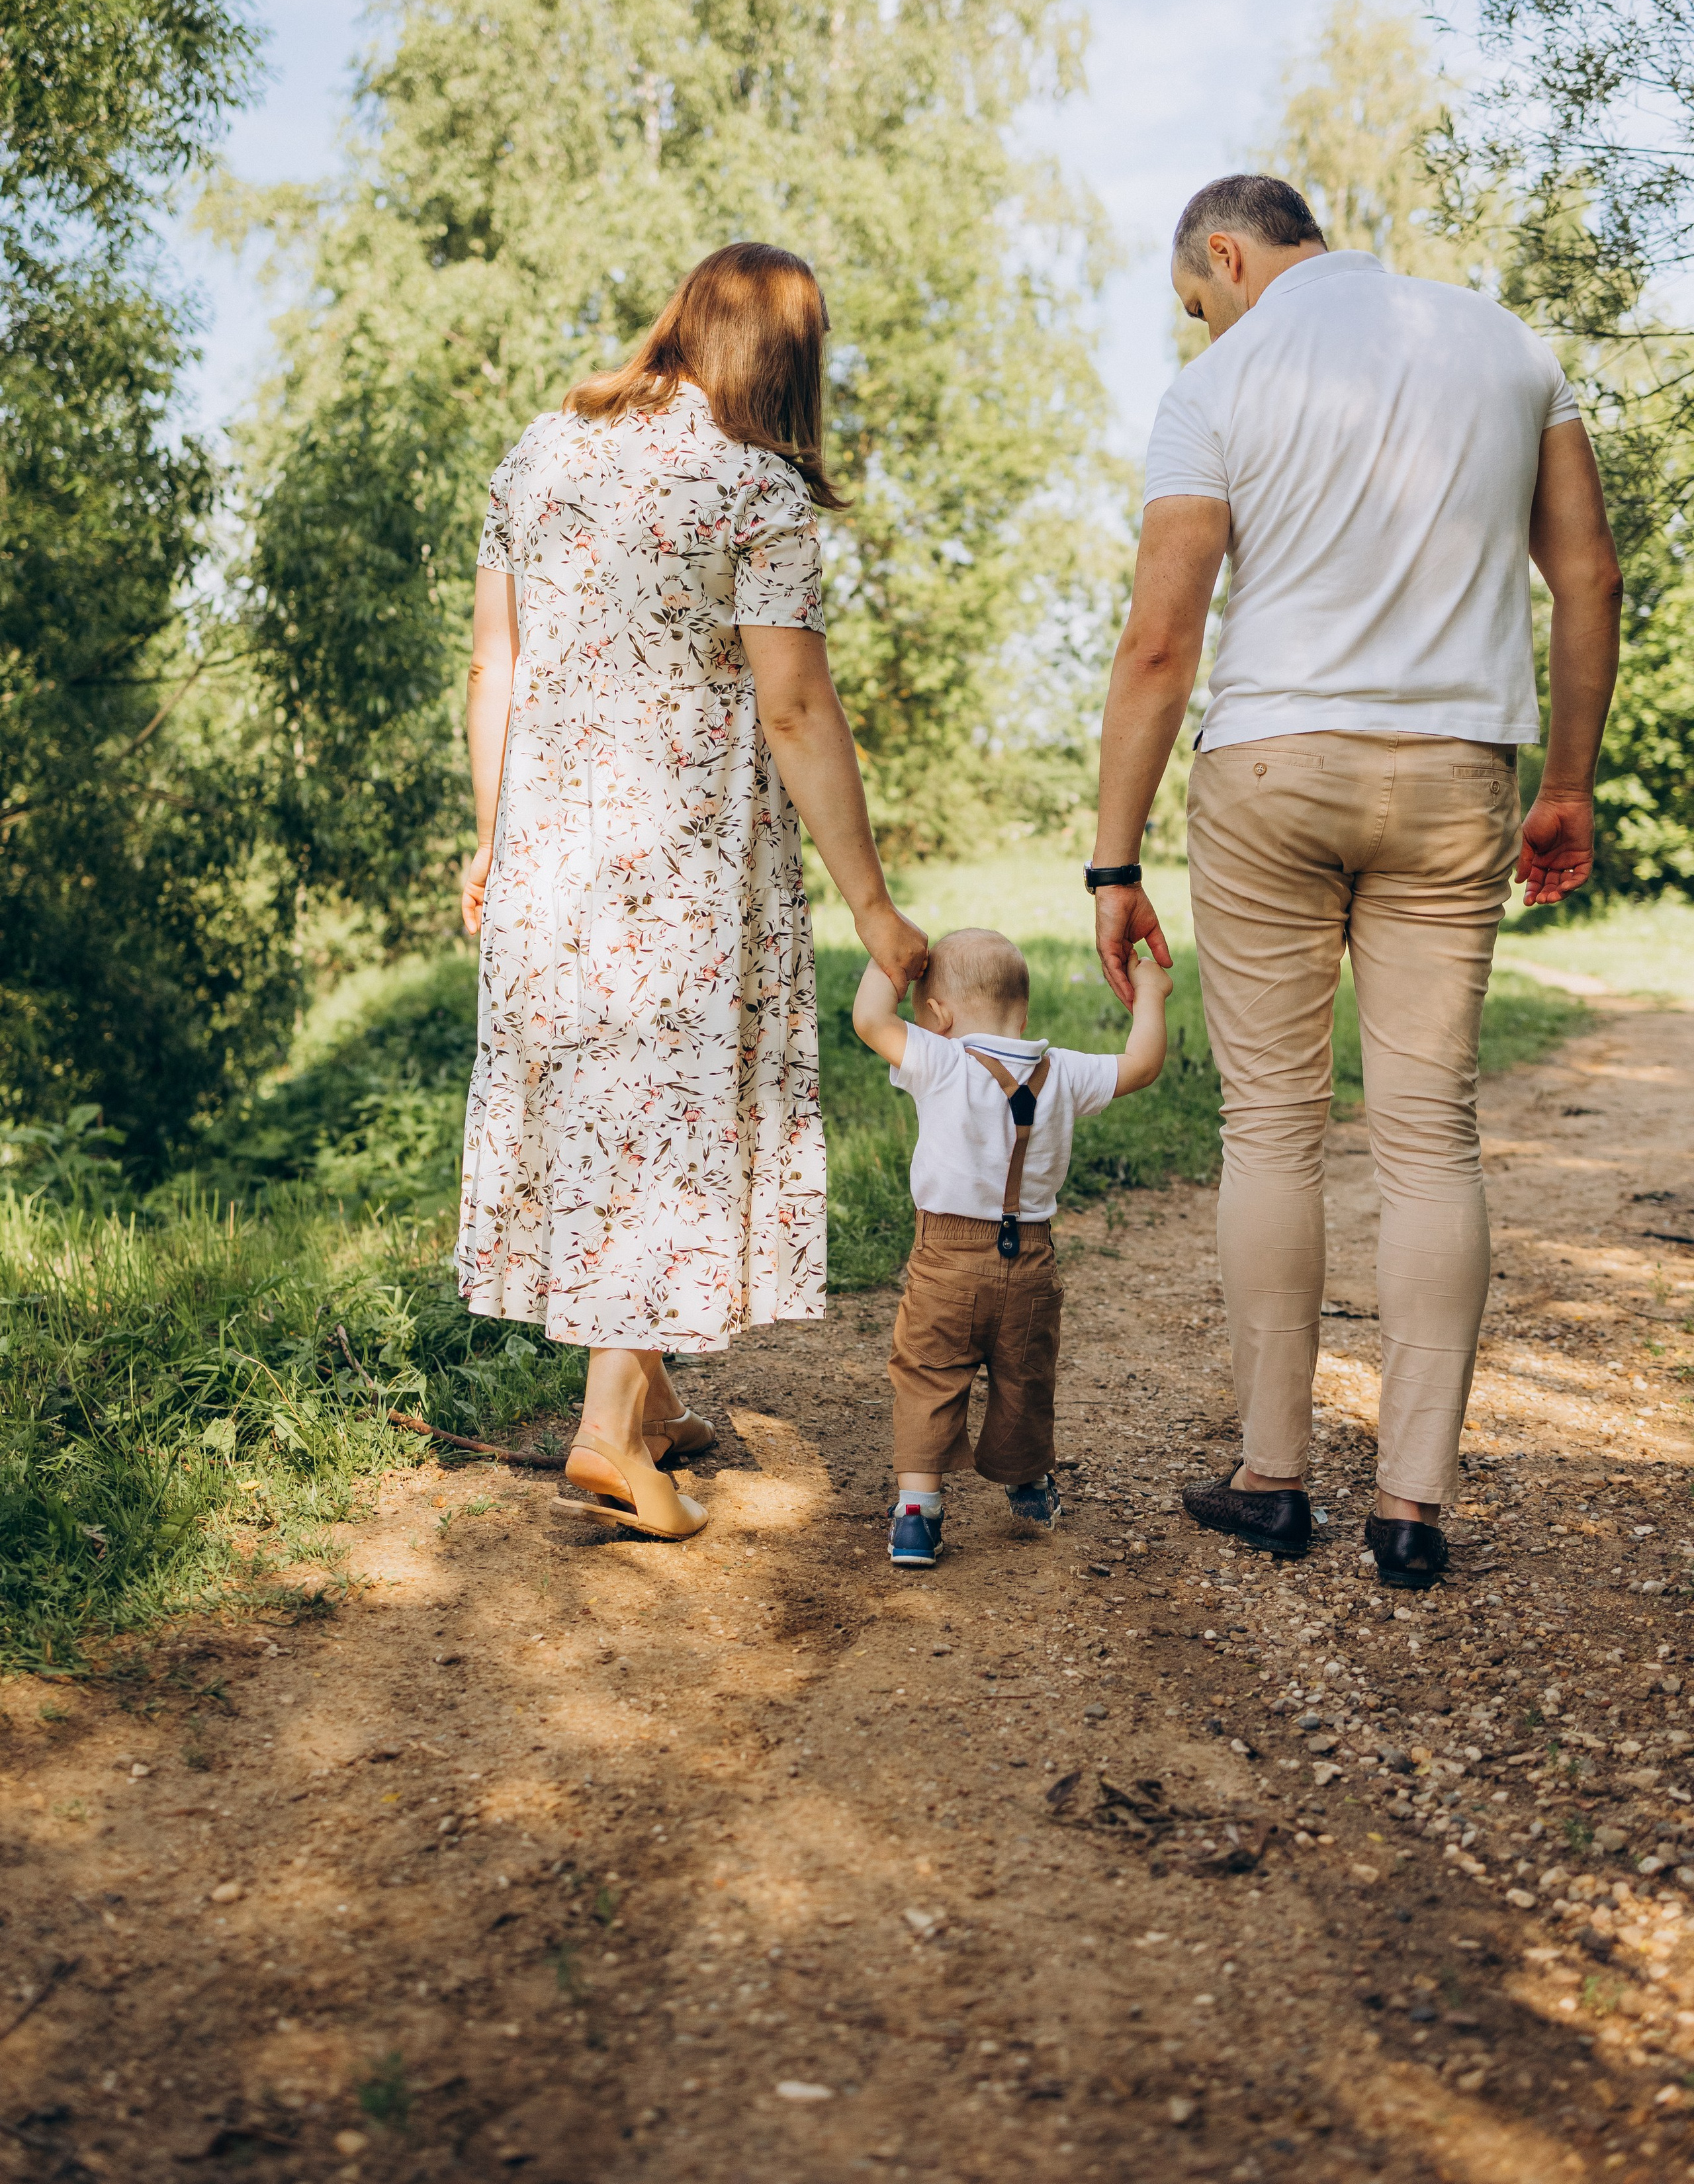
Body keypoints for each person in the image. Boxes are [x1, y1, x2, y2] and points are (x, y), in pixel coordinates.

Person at [1091, 173, 1622, 1589]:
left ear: (1222, 252)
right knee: (1426, 1133)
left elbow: (1158, 642)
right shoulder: (1506, 347)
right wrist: (1562, 783)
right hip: (1453, 773)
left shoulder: (1223, 387)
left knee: (1270, 1127)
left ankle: (1271, 1480)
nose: (1201, 327)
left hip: (1268, 768)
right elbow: (1586, 575)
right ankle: (1409, 1506)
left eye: (1195, 304)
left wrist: (1111, 856)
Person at [458, 241, 927, 1542]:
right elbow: (791, 703)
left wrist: (496, 840)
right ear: (790, 363)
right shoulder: (750, 485)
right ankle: (608, 1435)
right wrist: (871, 900)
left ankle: (650, 1402)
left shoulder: (542, 449)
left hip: (554, 843)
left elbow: (495, 668)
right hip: (684, 853)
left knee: (597, 1108)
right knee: (661, 1118)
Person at [852, 926, 1170, 1567]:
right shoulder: (1065, 1071)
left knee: (929, 1375)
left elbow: (867, 1018)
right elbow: (1142, 1064)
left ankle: (917, 1514)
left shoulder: (940, 1061)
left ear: (938, 1015)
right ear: (1023, 1007)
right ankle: (1028, 1486)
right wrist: (1152, 993)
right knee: (1023, 1375)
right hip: (1030, 1261)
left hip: (945, 1257)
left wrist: (891, 960)